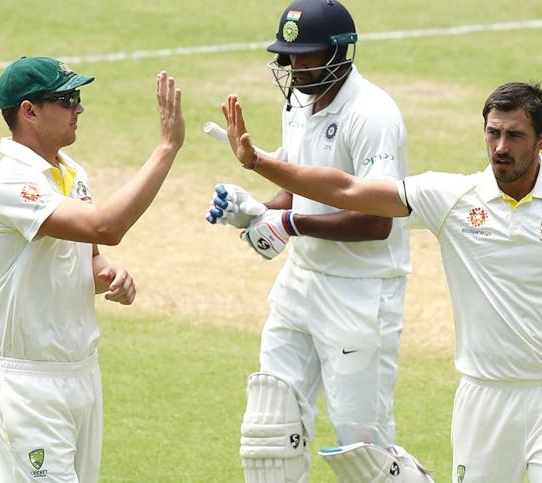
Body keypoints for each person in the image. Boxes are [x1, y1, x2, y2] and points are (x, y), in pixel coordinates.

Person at [222, 81, 542, 482]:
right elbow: (349, 189)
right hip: (483, 401)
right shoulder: (453, 197)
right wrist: (258, 162)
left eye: (514, 136)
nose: (500, 147)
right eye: (492, 133)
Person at [207, 1, 434, 481]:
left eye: (306, 56)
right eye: (289, 56)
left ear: (340, 53)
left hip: (361, 291)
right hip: (300, 284)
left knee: (363, 451)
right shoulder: (300, 101)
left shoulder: (373, 115)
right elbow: (298, 188)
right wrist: (253, 212)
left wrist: (291, 224)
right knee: (270, 427)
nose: (294, 67)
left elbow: (379, 221)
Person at [0, 56, 184, 482]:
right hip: (29, 386)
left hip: (82, 373)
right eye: (67, 99)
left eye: (78, 97)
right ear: (29, 111)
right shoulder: (8, 183)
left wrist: (109, 276)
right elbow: (105, 227)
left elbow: (89, 256)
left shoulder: (72, 173)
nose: (79, 108)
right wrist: (166, 148)